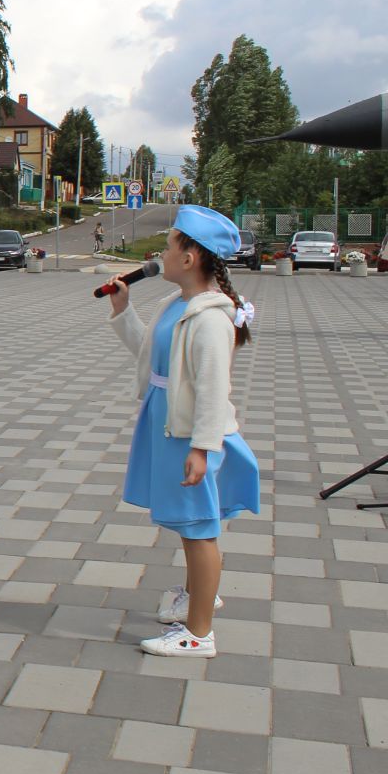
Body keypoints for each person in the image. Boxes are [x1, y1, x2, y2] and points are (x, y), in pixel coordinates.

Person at [107, 204, 260, 658]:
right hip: (170, 425)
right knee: (189, 522)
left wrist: (203, 449)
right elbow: (152, 359)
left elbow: (214, 391)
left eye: (169, 245)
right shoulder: (177, 306)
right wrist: (123, 311)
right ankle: (197, 598)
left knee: (199, 526)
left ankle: (199, 632)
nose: (162, 252)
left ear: (190, 257)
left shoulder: (210, 317)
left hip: (190, 433)